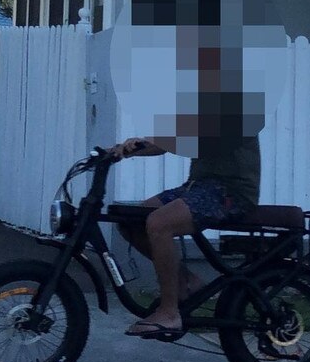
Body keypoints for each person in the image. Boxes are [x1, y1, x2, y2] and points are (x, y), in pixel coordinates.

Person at [109, 136, 261, 340]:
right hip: (197, 187)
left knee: (159, 223)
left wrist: (155, 141)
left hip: (231, 192)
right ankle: (187, 282)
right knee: (130, 220)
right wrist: (125, 149)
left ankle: (170, 313)